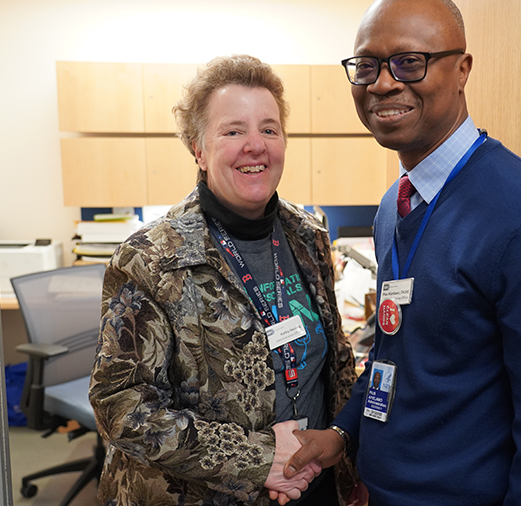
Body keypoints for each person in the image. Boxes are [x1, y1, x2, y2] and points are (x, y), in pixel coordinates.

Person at [284, 0, 521, 506]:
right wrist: (344, 433)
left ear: (463, 69)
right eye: (366, 66)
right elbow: (396, 352)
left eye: (410, 62)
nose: (382, 83)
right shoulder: (394, 207)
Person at [89, 54, 362, 506]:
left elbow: (336, 363)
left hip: (311, 486)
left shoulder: (307, 235)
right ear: (198, 148)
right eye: (234, 130)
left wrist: (345, 457)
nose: (255, 145)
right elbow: (122, 405)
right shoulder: (151, 258)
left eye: (269, 129)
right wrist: (259, 459)